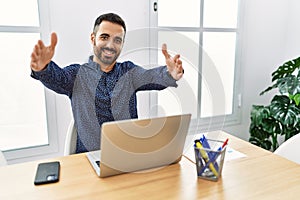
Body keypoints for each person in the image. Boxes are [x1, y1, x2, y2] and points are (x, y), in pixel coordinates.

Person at [30, 13, 184, 153]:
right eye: (104, 37)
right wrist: (42, 67)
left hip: (129, 157)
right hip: (89, 161)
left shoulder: (128, 72)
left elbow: (151, 77)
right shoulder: (77, 75)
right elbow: (57, 77)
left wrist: (170, 73)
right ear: (93, 38)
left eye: (117, 40)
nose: (111, 45)